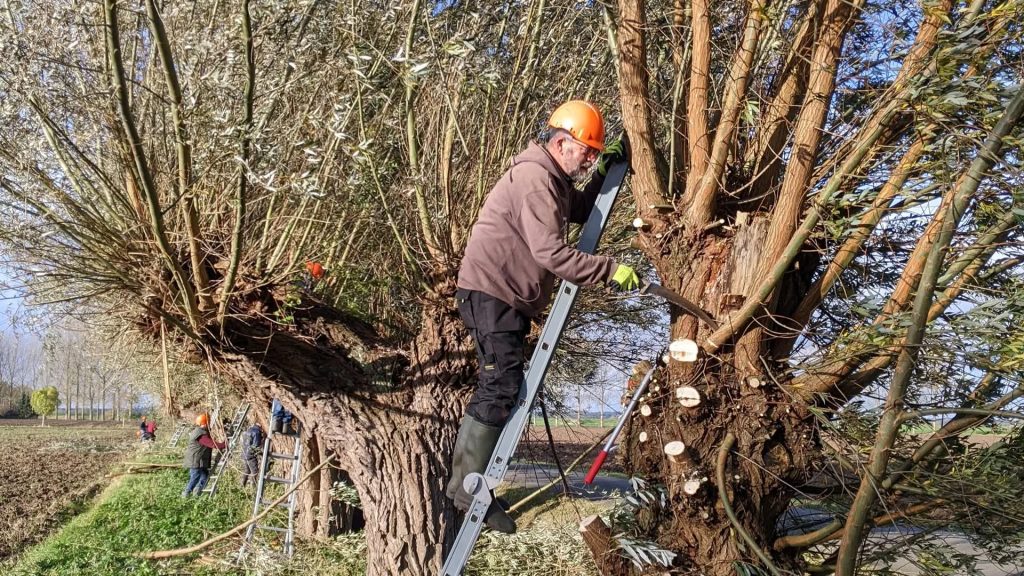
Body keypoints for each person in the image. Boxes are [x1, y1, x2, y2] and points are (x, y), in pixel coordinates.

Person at [449, 100, 636, 533]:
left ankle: (467, 485)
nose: (588, 160)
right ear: (560, 142)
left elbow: (580, 210)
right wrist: (609, 270)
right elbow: (551, 253)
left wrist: (605, 172)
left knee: (501, 384)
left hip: (502, 297)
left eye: (594, 153)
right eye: (586, 151)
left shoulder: (550, 178)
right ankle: (467, 489)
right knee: (499, 384)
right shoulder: (536, 179)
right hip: (492, 293)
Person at [182, 413, 226, 497]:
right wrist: (223, 445)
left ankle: (197, 492)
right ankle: (186, 494)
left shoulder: (200, 431)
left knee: (204, 476)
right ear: (205, 423)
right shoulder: (200, 434)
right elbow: (211, 444)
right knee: (195, 477)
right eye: (208, 422)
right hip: (195, 460)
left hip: (199, 461)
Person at [240, 422, 264, 488]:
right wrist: (262, 453)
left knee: (246, 471)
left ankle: (241, 486)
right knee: (254, 471)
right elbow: (255, 446)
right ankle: (253, 488)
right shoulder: (257, 433)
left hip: (243, 454)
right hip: (250, 456)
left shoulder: (247, 431)